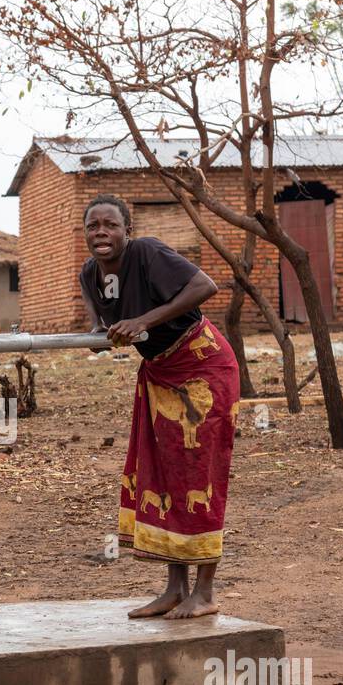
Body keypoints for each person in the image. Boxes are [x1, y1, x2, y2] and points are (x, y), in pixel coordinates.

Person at [79, 194, 240, 620]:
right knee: (166, 475)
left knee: (199, 476)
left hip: (204, 368)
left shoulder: (148, 252)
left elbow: (207, 286)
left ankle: (205, 592)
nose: (101, 232)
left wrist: (144, 321)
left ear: (127, 230)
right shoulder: (89, 275)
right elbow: (100, 326)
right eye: (93, 226)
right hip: (160, 373)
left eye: (110, 224)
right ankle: (174, 588)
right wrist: (101, 336)